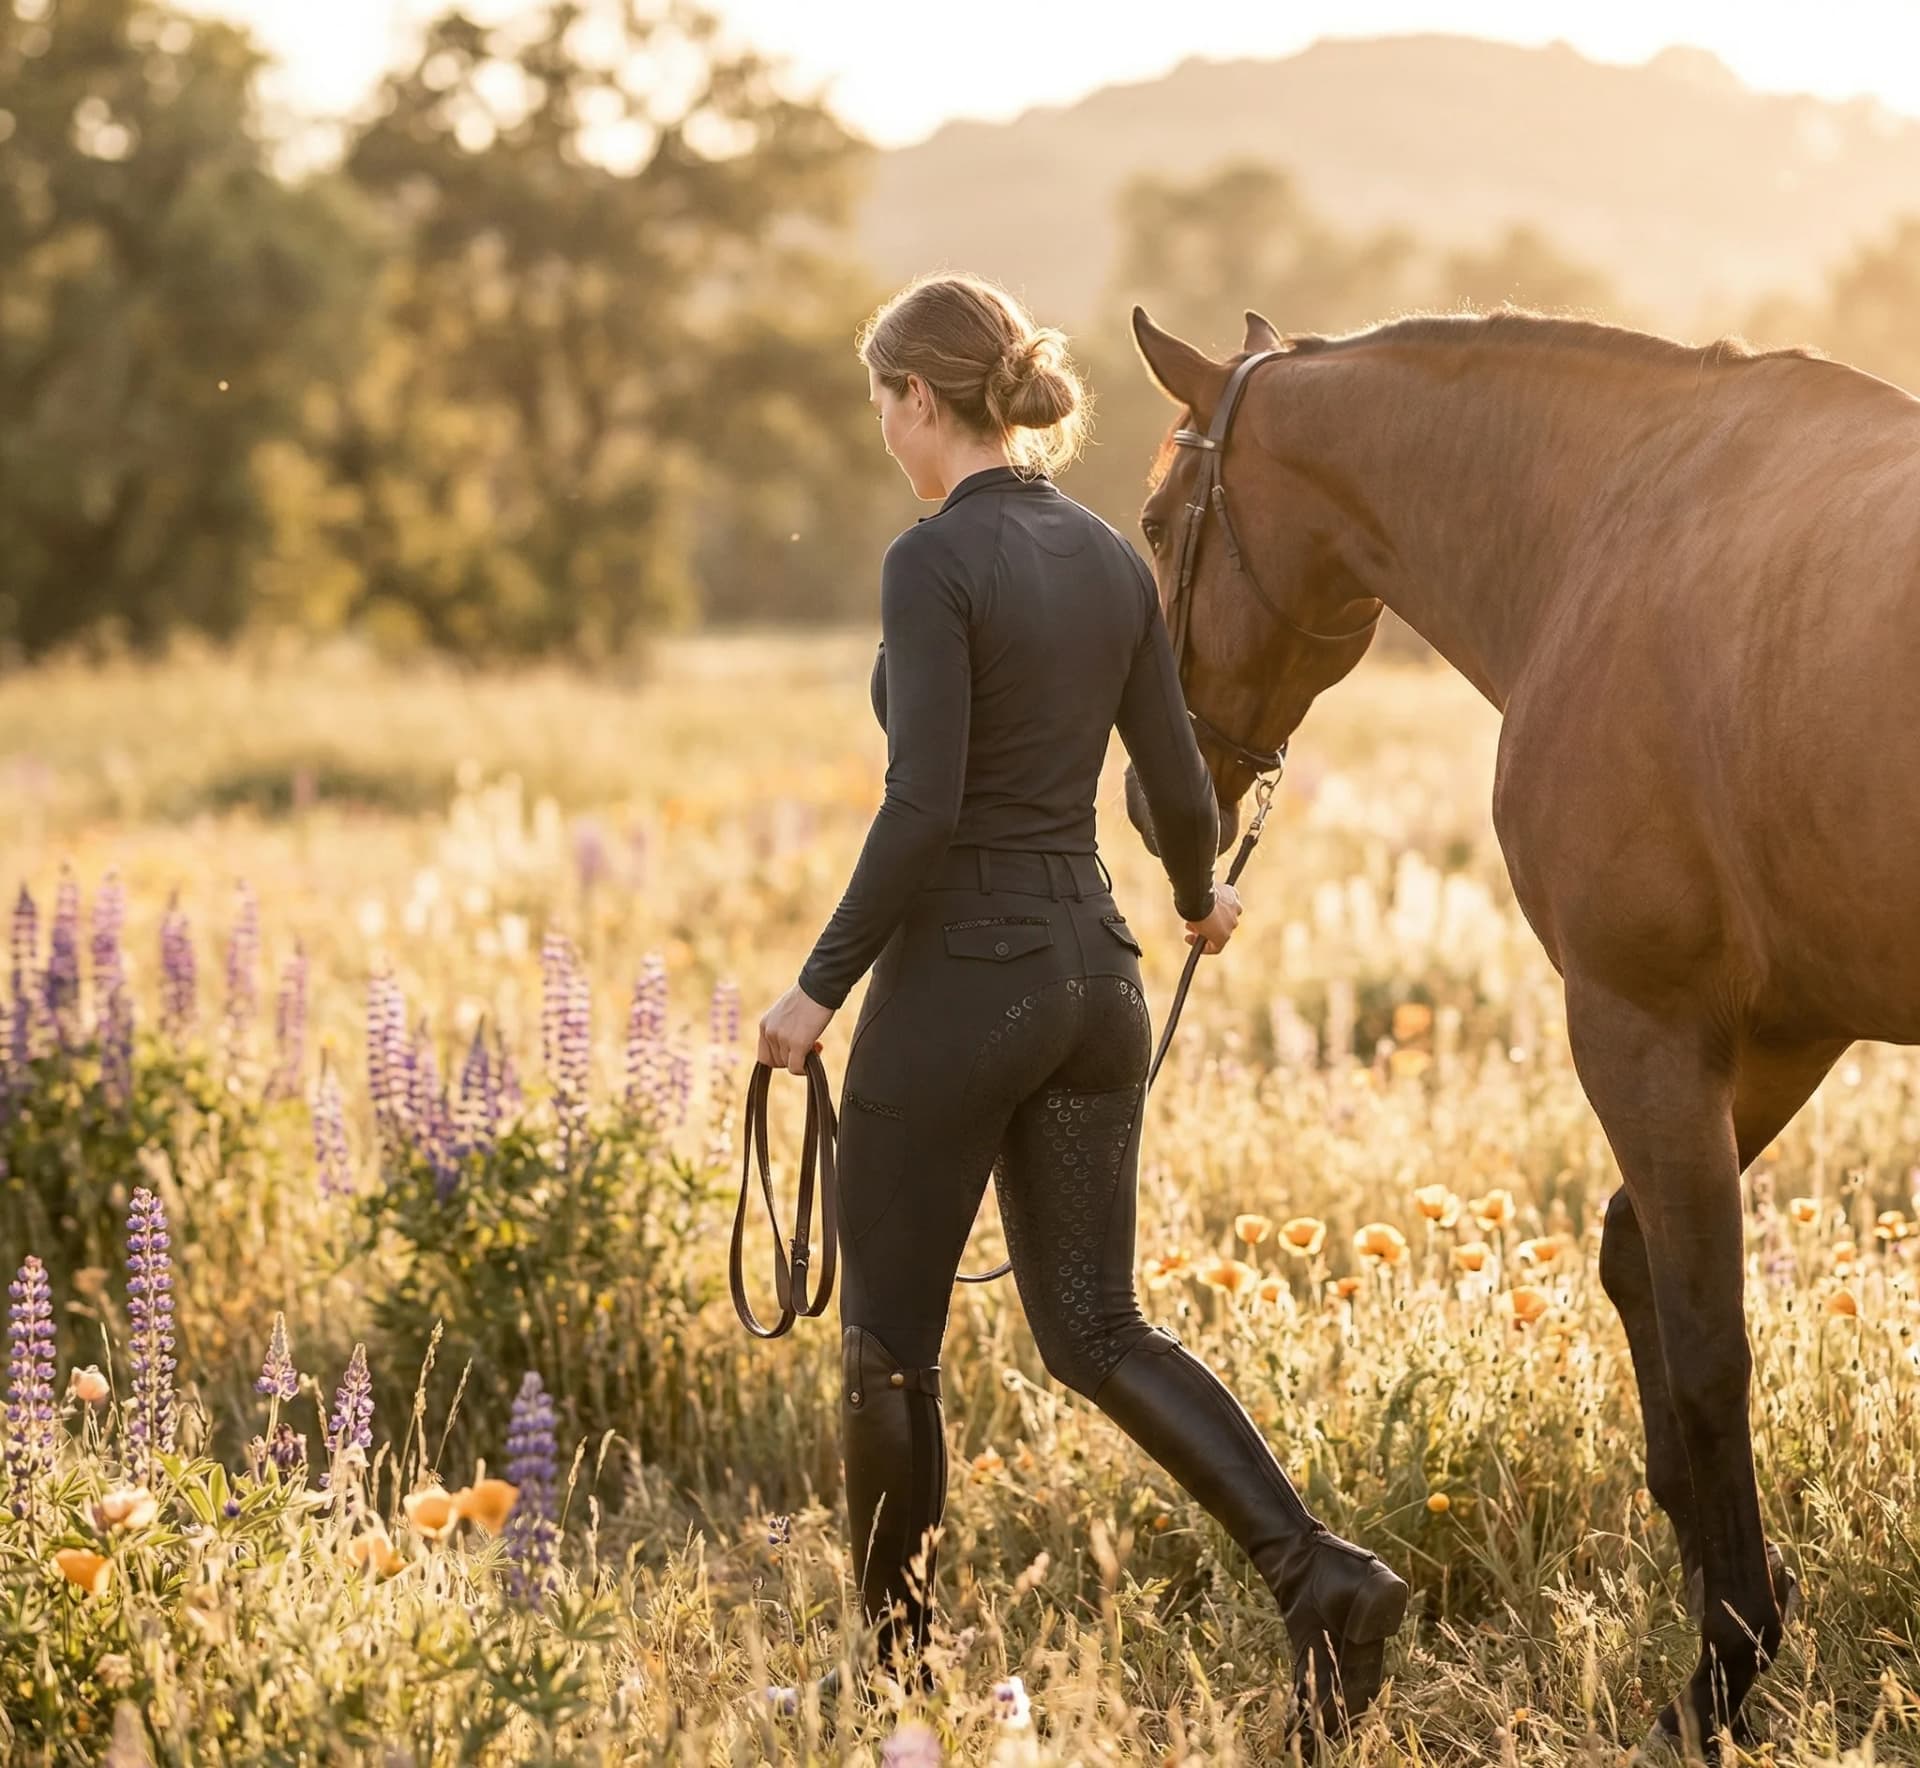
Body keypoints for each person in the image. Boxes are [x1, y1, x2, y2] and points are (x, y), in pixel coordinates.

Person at [754, 271, 1408, 1743]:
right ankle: (1322, 1577)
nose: (881, 429)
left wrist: (814, 989)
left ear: (921, 400)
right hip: (1094, 980)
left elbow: (922, 806)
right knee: (1098, 1330)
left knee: (887, 1350)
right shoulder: (1111, 559)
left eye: (881, 403)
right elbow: (1180, 784)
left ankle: (899, 1686)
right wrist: (1196, 896)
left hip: (961, 986)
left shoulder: (931, 564)